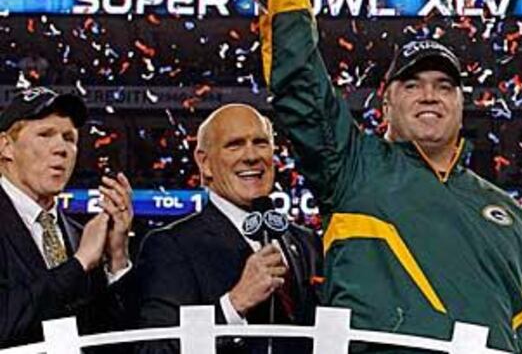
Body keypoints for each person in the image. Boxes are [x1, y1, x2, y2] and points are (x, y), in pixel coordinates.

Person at [246, 0, 522, 353]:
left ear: (462, 106)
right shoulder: (352, 167)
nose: (429, 95)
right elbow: (300, 81)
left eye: (444, 86)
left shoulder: (510, 215)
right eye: (413, 84)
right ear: (386, 103)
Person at [135, 104, 321, 354]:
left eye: (261, 142)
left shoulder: (305, 242)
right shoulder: (170, 246)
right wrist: (234, 305)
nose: (252, 156)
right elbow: (155, 350)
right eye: (234, 145)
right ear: (205, 163)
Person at [0, 87, 133, 349]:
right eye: (45, 135)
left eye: (69, 138)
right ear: (6, 147)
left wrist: (117, 259)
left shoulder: (80, 234)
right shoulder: (85, 250)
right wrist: (79, 263)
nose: (62, 148)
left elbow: (114, 337)